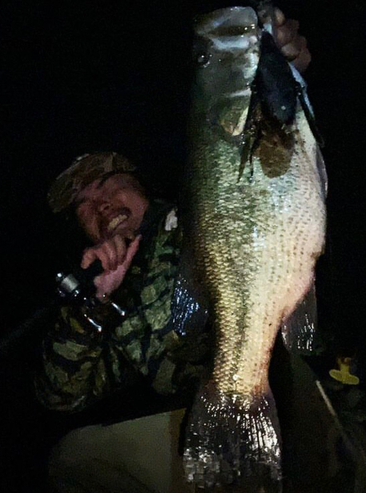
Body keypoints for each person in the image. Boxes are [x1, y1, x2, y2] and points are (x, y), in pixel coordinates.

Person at [35, 8, 312, 415]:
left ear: (138, 181)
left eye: (106, 183)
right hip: (202, 408)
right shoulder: (112, 301)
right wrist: (93, 305)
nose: (101, 204)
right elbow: (58, 395)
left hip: (290, 376)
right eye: (84, 206)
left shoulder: (198, 210)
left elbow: (281, 165)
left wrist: (287, 77)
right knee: (72, 459)